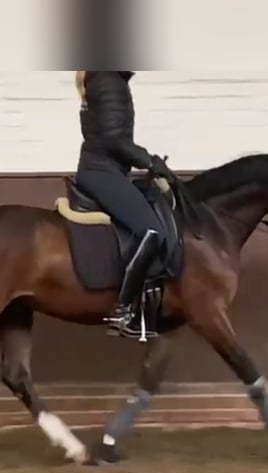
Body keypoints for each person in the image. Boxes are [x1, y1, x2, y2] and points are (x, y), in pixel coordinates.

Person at [74, 71, 176, 337]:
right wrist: (151, 162)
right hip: (102, 171)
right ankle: (124, 309)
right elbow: (114, 140)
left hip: (105, 169)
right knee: (152, 230)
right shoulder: (109, 81)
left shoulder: (103, 78)